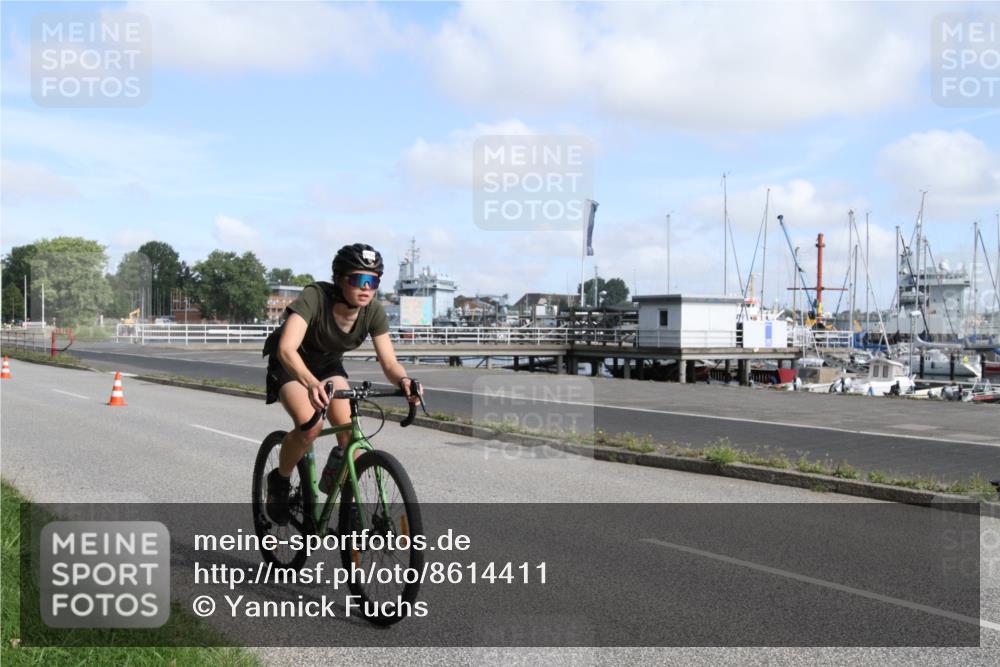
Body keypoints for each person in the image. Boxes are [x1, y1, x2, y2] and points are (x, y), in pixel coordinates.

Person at [263, 243, 421, 524]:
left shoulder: (372, 311)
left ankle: (346, 494)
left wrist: (405, 380)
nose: (366, 288)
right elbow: (287, 349)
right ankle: (279, 480)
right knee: (311, 425)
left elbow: (389, 363)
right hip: (291, 364)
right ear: (339, 278)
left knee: (351, 437)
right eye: (358, 280)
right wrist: (311, 383)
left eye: (373, 281)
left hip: (327, 366)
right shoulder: (316, 296)